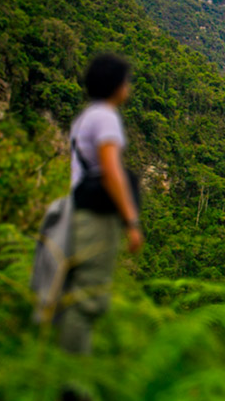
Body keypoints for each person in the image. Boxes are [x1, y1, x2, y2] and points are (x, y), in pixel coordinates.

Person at [58, 53, 144, 357]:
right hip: (95, 216)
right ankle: (73, 379)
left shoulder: (84, 118)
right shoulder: (106, 117)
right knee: (89, 298)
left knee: (79, 292)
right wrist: (131, 221)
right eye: (126, 80)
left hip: (78, 210)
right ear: (117, 85)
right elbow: (110, 171)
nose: (128, 86)